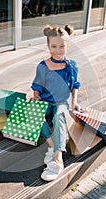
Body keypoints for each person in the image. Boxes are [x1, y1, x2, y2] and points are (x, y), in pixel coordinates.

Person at [30, 24, 81, 181]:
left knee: (59, 116)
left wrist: (74, 102)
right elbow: (37, 86)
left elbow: (74, 85)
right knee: (32, 112)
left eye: (62, 46)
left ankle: (58, 157)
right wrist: (36, 97)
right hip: (45, 101)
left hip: (60, 102)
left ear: (67, 45)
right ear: (48, 46)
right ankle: (51, 144)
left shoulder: (71, 66)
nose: (58, 50)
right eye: (54, 46)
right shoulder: (42, 66)